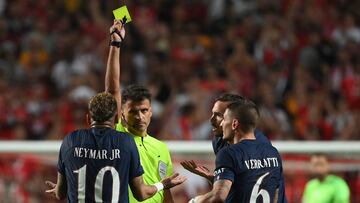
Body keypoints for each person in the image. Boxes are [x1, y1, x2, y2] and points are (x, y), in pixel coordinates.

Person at [44, 92, 186, 202]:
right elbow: (141, 194)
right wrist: (162, 185)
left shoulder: (70, 141)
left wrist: (57, 189)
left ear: (88, 118)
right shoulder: (126, 142)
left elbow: (61, 193)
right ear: (117, 118)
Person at [105, 20, 176, 202]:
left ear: (151, 111)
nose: (139, 116)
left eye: (144, 110)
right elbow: (112, 90)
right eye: (133, 111)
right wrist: (116, 44)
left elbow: (166, 193)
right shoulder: (117, 136)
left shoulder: (161, 148)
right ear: (121, 113)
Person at [181, 93, 287, 202]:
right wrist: (216, 178)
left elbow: (222, 196)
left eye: (219, 115)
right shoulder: (220, 141)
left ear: (235, 119)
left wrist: (196, 201)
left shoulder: (259, 147)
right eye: (212, 114)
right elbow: (242, 185)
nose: (211, 120)